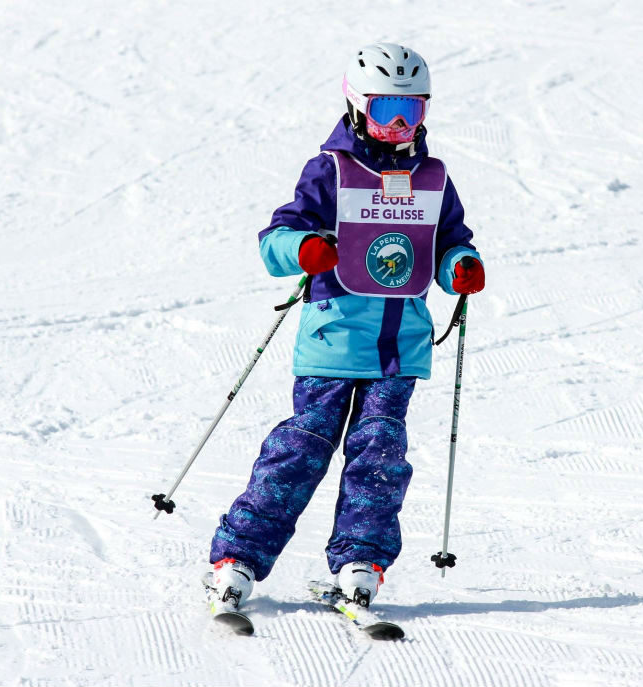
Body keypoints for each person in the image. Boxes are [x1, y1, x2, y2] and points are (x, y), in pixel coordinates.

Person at [203, 42, 485, 613]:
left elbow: (449, 241)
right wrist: (304, 248)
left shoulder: (432, 178)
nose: (400, 124)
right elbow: (275, 239)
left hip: (399, 346)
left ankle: (361, 558)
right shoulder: (332, 171)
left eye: (413, 111)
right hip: (334, 338)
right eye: (386, 110)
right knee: (300, 449)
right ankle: (239, 558)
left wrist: (460, 267)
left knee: (380, 455)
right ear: (357, 107)